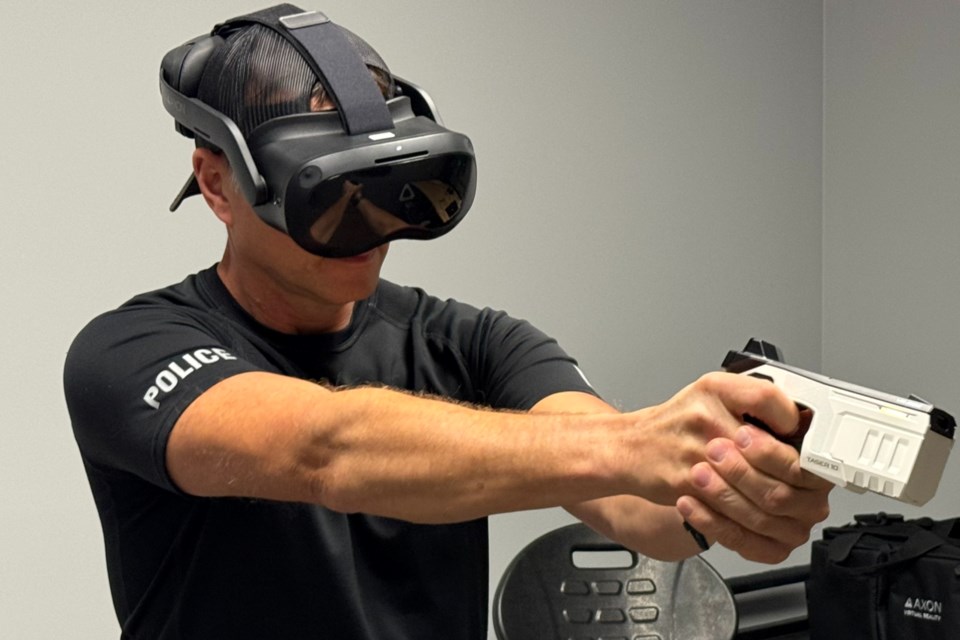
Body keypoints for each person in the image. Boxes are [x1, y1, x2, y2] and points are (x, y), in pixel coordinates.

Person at [63, 5, 832, 639]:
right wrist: (637, 443)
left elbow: (637, 506)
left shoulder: (475, 343)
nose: (370, 228)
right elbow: (326, 451)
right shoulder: (129, 353)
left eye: (387, 187)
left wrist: (729, 481)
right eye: (326, 199)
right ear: (218, 184)